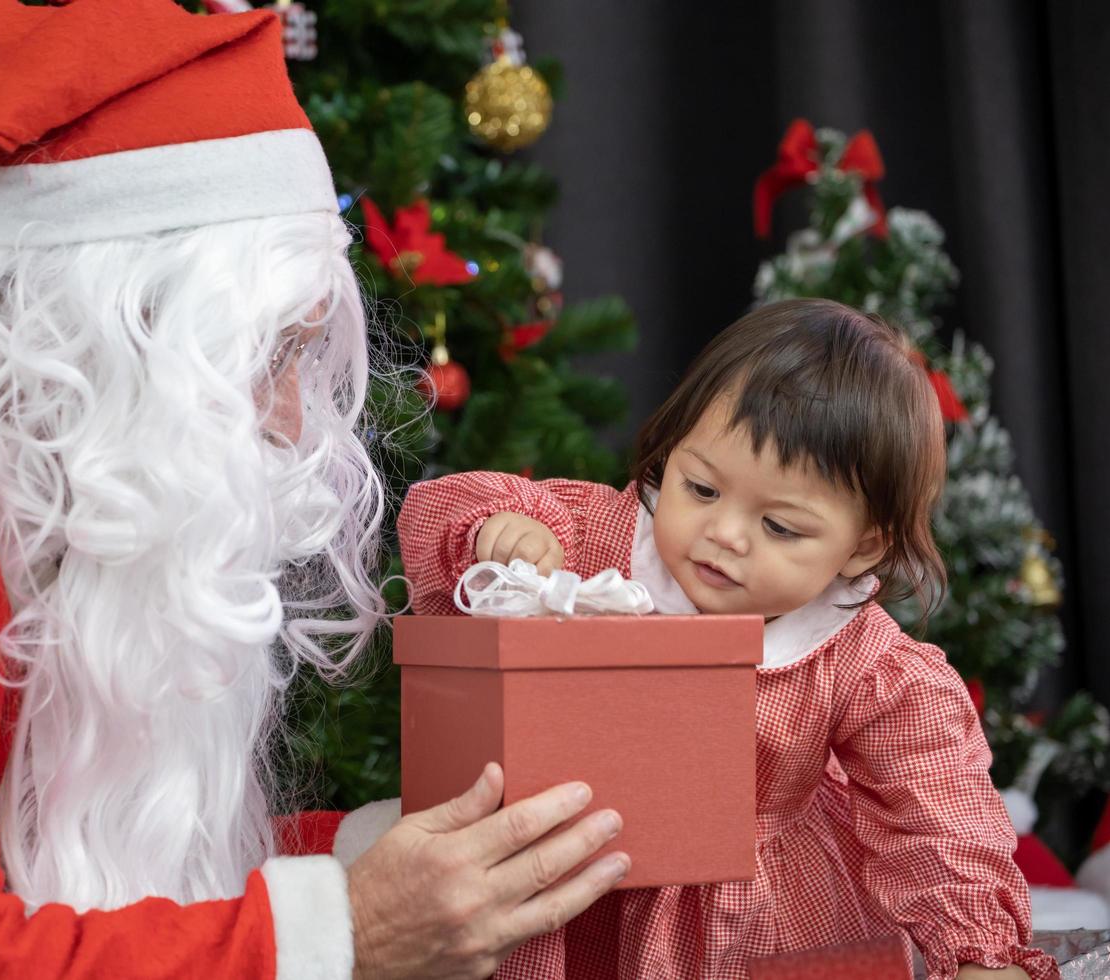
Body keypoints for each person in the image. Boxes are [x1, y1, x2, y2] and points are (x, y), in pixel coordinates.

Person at [0, 1, 629, 976]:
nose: (290, 419)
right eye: (268, 353)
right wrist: (349, 933)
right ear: (116, 327)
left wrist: (387, 860)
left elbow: (72, 866)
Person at [397, 299, 1057, 980]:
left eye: (781, 528)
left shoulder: (862, 659)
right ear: (674, 449)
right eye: (703, 488)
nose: (725, 534)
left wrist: (982, 951)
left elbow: (937, 809)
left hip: (754, 920)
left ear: (862, 548)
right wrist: (498, 531)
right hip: (576, 883)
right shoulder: (600, 541)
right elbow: (436, 511)